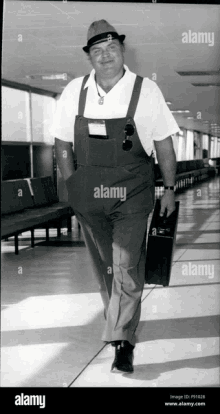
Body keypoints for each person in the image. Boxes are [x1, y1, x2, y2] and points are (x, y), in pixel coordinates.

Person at [50, 20, 180, 373]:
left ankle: (122, 340)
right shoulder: (74, 91)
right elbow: (62, 142)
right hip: (89, 196)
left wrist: (169, 189)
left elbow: (164, 142)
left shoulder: (145, 90)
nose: (105, 56)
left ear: (123, 50)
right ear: (89, 57)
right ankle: (120, 323)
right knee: (106, 266)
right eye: (97, 51)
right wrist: (72, 183)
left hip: (132, 195)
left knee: (125, 265)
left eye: (111, 48)